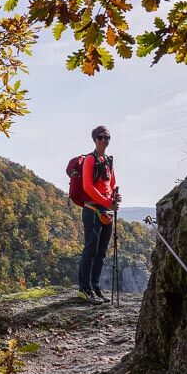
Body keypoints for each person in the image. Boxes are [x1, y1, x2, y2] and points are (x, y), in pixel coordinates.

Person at [78, 126, 121, 304]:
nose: (104, 140)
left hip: (106, 210)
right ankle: (84, 289)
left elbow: (112, 183)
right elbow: (87, 186)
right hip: (92, 210)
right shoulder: (90, 159)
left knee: (101, 251)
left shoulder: (108, 161)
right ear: (95, 139)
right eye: (101, 137)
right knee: (91, 249)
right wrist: (106, 202)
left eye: (107, 138)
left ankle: (95, 286)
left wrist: (114, 197)